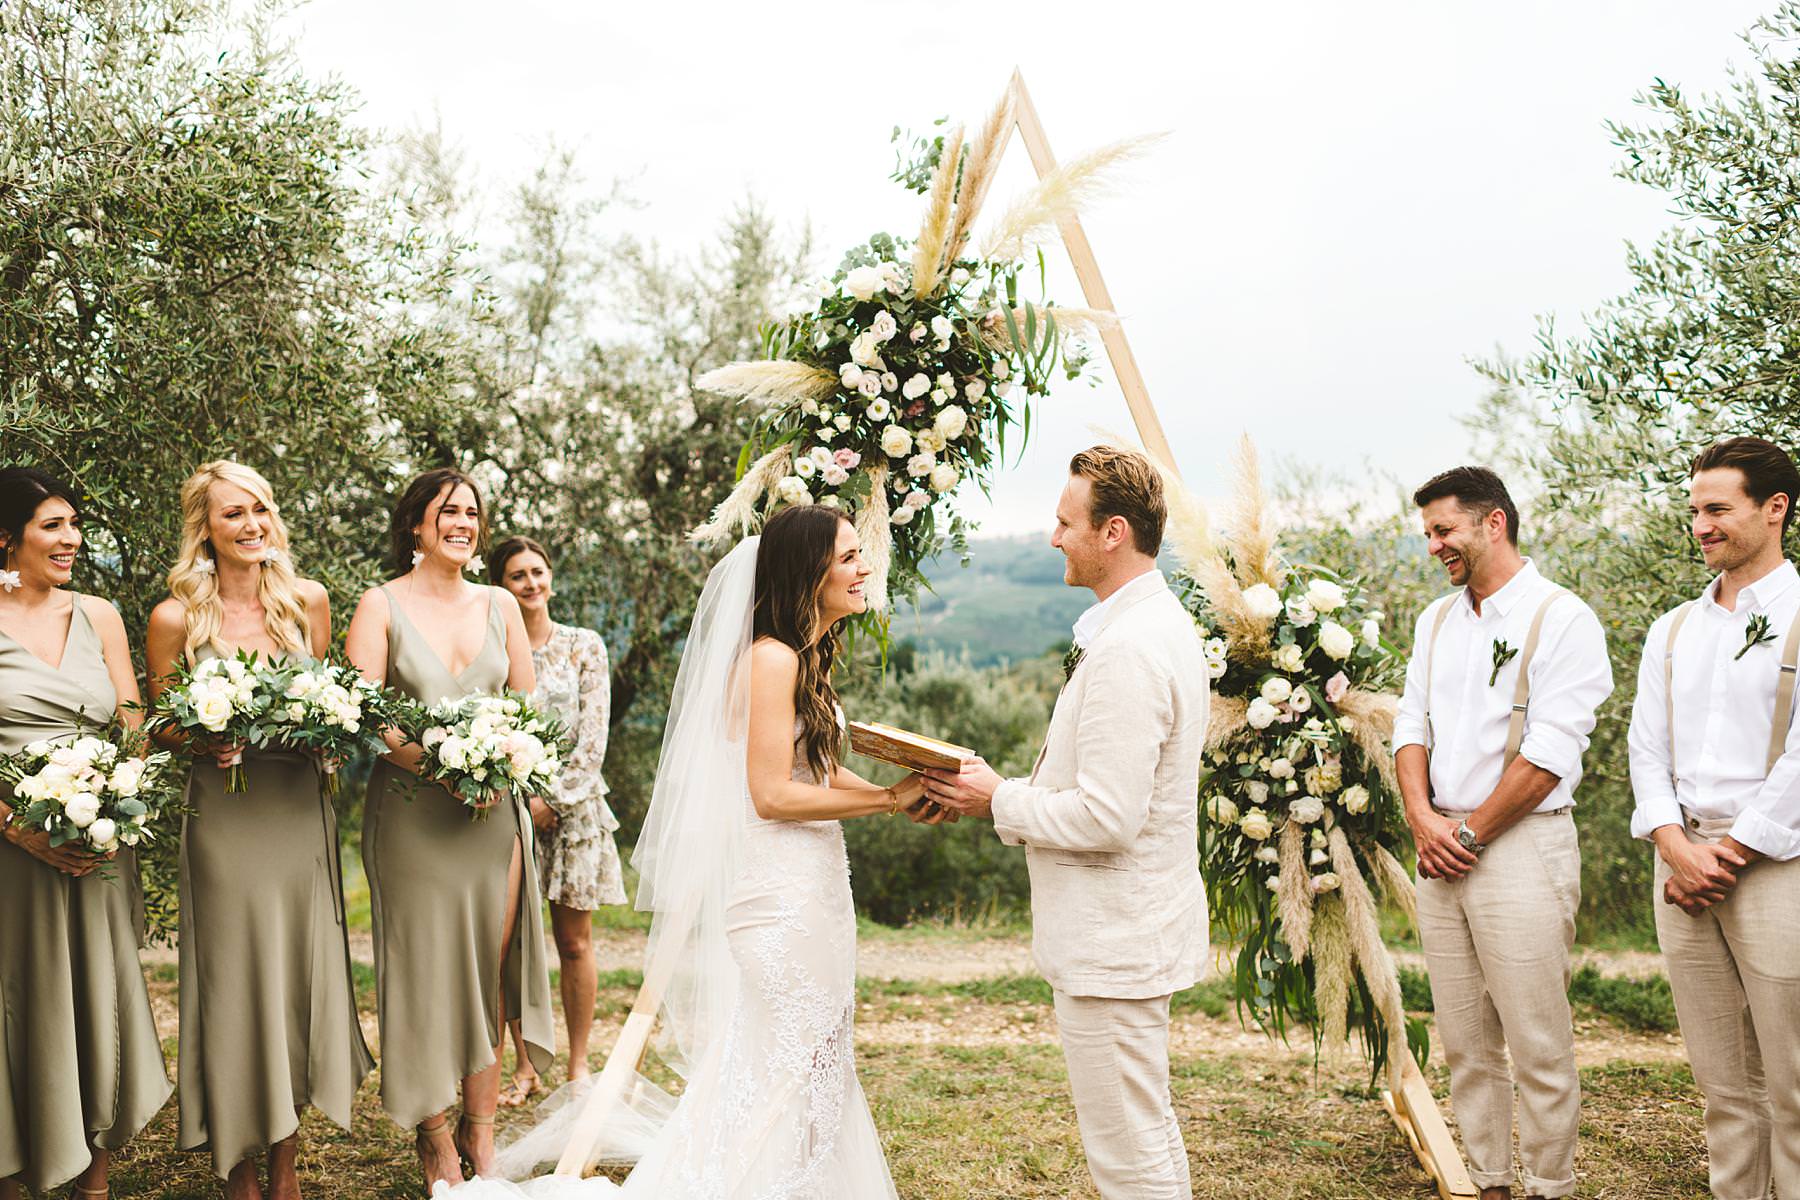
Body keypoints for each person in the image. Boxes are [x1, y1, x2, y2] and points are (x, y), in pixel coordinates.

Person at [454, 503, 938, 1198]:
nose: (864, 569)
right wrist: (889, 799)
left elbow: (817, 771)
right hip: (778, 892)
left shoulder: (802, 656)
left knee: (818, 1054)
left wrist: (904, 794)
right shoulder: (770, 660)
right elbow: (772, 794)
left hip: (818, 882)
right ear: (810, 571)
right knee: (787, 1058)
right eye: (849, 557)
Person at [924, 445, 1210, 1200]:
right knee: (1143, 1129)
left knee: (1129, 1151)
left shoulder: (1130, 649)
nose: (1054, 537)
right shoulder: (1150, 624)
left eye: (1065, 523)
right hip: (1131, 929)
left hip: (1116, 937)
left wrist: (998, 798)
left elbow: (1108, 818)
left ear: (1114, 532)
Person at [145, 461, 373, 1200]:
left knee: (290, 980)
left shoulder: (307, 602)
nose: (251, 525)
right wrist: (203, 737)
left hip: (296, 808)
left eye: (260, 510)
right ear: (205, 528)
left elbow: (331, 702)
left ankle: (284, 1165)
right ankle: (237, 1166)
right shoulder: (175, 618)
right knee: (234, 980)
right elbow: (158, 724)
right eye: (233, 513)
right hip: (225, 817)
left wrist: (329, 735)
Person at [1392, 466, 1612, 1200]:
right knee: (1465, 1041)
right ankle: (1486, 1183)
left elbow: (1549, 755)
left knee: (1538, 1042)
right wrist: (1423, 820)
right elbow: (1410, 723)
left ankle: (1550, 1186)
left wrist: (1468, 834)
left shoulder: (1563, 618)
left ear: (1494, 523)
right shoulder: (1435, 620)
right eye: (1428, 533)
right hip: (1439, 846)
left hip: (1521, 846)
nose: (1434, 546)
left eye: (1444, 530)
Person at [345, 468, 555, 1190]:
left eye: (471, 511)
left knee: (485, 971)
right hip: (411, 814)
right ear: (416, 524)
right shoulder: (380, 604)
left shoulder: (501, 604)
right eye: (447, 511)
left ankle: (481, 1131)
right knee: (422, 972)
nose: (463, 522)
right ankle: (433, 1135)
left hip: (493, 818)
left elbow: (526, 710)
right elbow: (366, 715)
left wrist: (502, 762)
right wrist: (441, 767)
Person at [1627, 436, 1800, 1199]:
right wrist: (1675, 846)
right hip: (1681, 869)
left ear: (1775, 508)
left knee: (1793, 1084)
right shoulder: (1672, 630)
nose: (1700, 525)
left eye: (1718, 509)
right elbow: (1645, 748)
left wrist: (1726, 855)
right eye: (1694, 510)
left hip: (1778, 870)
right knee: (1723, 1088)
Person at [0, 467, 171, 1200]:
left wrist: (117, 798)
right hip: (11, 854)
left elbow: (131, 718)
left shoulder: (99, 614)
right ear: (6, 538)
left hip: (98, 843)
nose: (71, 539)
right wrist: (17, 828)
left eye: (74, 524)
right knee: (18, 1002)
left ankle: (94, 1184)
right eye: (52, 526)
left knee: (98, 997)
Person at [488, 535, 626, 1105]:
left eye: (537, 571)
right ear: (501, 586)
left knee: (573, 943)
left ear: (551, 576)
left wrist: (554, 801)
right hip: (509, 811)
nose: (531, 583)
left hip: (575, 815)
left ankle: (577, 1065)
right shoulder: (492, 650)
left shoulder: (583, 645)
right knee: (510, 948)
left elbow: (594, 738)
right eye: (517, 575)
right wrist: (523, 801)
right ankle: (526, 1065)